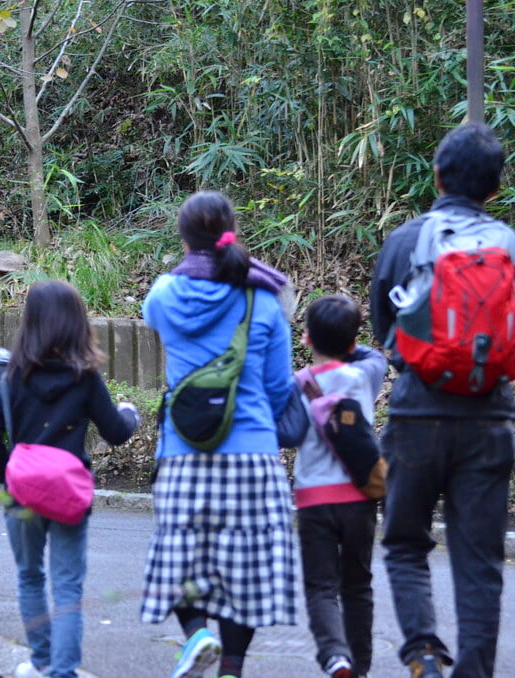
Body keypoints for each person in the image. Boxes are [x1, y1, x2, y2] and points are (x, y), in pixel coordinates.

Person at [370, 123, 515, 678]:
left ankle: (424, 654)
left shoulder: (407, 240)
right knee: (480, 561)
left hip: (416, 414)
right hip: (490, 418)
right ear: (496, 187)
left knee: (406, 542)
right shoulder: (508, 245)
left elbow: (386, 329)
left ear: (437, 176)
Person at [140, 191, 298, 678]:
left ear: (184, 237)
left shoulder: (164, 295)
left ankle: (197, 635)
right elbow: (279, 389)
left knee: (178, 553)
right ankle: (231, 668)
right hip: (253, 455)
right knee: (245, 570)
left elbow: (153, 319)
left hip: (183, 451)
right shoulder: (262, 298)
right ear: (232, 230)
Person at [0, 280, 140, 678]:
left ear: (30, 322)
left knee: (30, 578)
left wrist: (12, 477)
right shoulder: (85, 377)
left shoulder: (13, 377)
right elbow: (116, 432)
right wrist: (130, 413)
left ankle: (42, 662)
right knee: (68, 587)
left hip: (23, 495)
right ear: (75, 322)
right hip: (68, 493)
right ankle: (62, 672)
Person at [293, 295, 387, 678]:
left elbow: (287, 432)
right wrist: (347, 343)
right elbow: (374, 355)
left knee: (320, 586)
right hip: (358, 497)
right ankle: (359, 668)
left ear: (306, 338)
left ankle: (335, 655)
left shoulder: (297, 384)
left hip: (313, 499)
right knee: (358, 585)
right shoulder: (365, 374)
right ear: (352, 342)